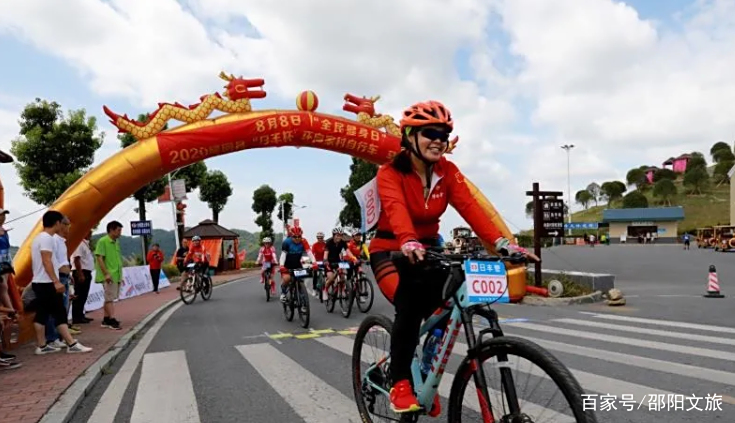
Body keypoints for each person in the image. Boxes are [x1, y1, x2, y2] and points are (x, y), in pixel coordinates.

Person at [368, 100, 536, 415]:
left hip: (430, 248)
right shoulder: (390, 172)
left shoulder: (448, 172)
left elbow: (471, 208)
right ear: (409, 136)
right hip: (392, 249)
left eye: (443, 135)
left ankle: (424, 372)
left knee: (452, 300)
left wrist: (503, 244)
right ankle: (400, 381)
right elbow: (396, 209)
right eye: (430, 133)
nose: (438, 141)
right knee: (409, 304)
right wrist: (408, 241)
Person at [31, 210, 92, 354]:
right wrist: (56, 281)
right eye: (63, 223)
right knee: (59, 313)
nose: (64, 226)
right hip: (47, 282)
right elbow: (47, 260)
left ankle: (42, 345)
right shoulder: (47, 238)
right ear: (57, 223)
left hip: (39, 281)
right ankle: (71, 344)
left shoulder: (39, 238)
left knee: (42, 314)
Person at [95, 221, 124, 330]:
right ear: (111, 230)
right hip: (109, 275)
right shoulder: (103, 241)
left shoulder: (116, 242)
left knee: (109, 298)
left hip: (116, 274)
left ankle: (106, 319)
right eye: (118, 230)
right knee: (109, 299)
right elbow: (99, 258)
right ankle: (112, 319)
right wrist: (106, 273)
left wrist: (120, 275)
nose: (120, 232)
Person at [278, 226, 316, 303]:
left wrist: (314, 263)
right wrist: (281, 266)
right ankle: (283, 293)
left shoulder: (304, 241)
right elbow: (283, 255)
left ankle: (302, 299)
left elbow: (309, 253)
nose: (297, 238)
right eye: (295, 237)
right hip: (286, 265)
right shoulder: (286, 242)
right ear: (291, 236)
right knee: (287, 279)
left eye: (299, 236)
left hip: (297, 264)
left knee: (301, 279)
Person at [323, 228, 357, 295]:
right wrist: (325, 260)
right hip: (329, 262)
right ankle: (325, 290)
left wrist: (353, 258)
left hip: (338, 261)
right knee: (331, 278)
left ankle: (342, 290)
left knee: (343, 275)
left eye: (341, 235)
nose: (339, 237)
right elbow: (326, 253)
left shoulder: (343, 242)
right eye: (337, 235)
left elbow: (348, 252)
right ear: (333, 235)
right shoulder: (329, 243)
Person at [71, 231, 94, 324]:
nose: (91, 234)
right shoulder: (79, 243)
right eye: (89, 232)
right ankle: (76, 317)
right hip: (81, 271)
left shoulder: (85, 244)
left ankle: (80, 315)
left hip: (86, 271)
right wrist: (80, 274)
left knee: (84, 295)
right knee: (79, 295)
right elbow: (77, 259)